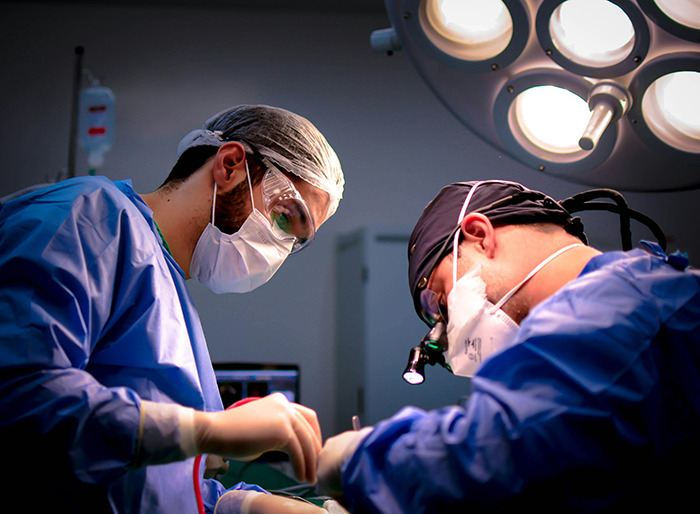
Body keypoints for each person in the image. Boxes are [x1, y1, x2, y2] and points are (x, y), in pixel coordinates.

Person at [0, 104, 344, 513]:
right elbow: (20, 398)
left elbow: (161, 484)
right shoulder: (86, 218)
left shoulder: (173, 301)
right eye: (286, 219)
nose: (281, 248)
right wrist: (209, 430)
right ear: (230, 165)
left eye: (296, 241)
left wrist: (238, 506)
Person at [317, 179, 700, 512]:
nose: (450, 331)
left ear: (480, 236)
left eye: (440, 302)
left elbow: (494, 460)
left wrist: (358, 454)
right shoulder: (647, 286)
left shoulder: (622, 307)